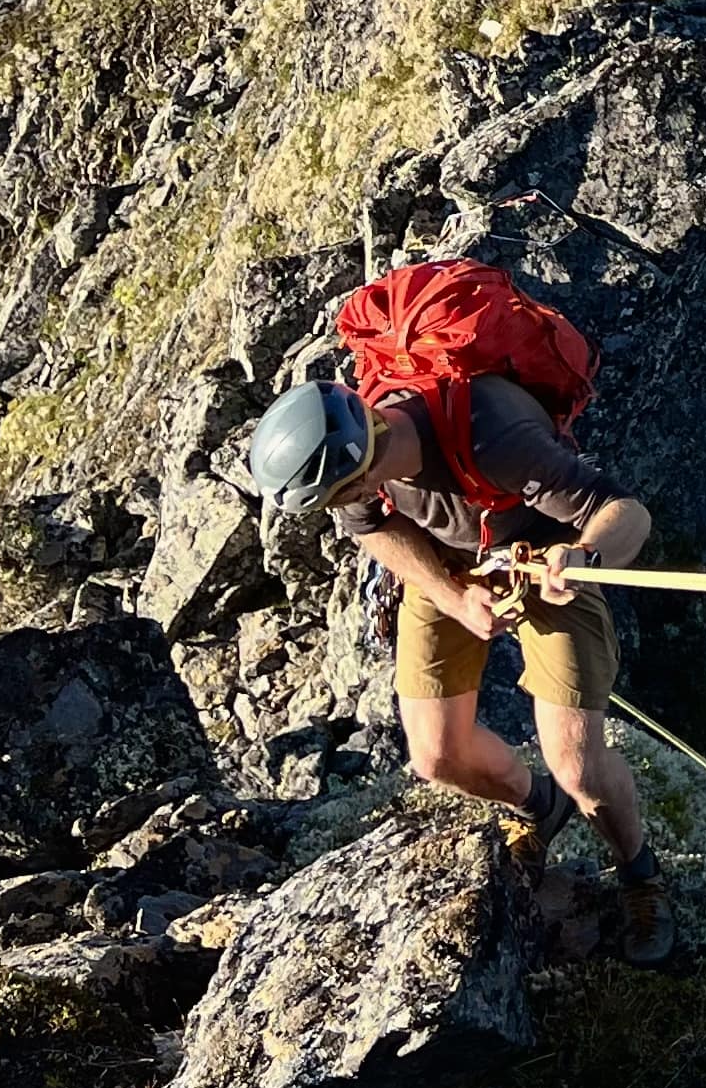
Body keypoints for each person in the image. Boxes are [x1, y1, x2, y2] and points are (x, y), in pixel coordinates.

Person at [245, 359, 675, 965]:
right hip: (449, 569)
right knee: (436, 755)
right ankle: (538, 807)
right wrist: (450, 594)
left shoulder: (494, 435)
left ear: (356, 474)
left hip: (549, 559)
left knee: (579, 766)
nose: (339, 508)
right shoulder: (363, 449)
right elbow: (370, 529)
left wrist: (585, 558)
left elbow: (626, 513)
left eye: (334, 498)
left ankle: (639, 874)